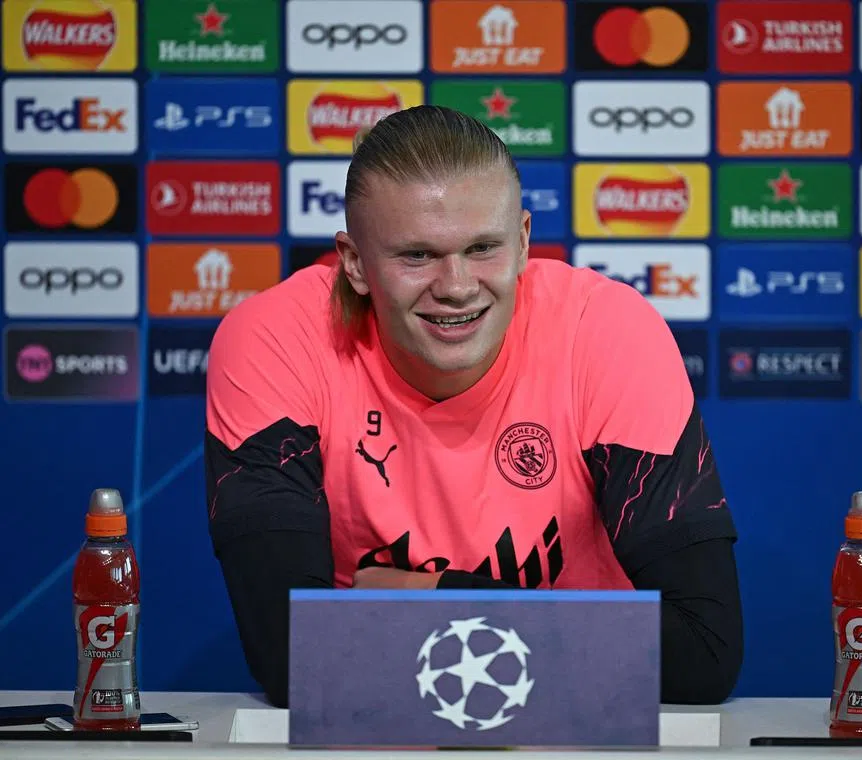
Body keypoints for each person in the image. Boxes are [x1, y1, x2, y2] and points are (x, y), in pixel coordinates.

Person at [204, 105, 743, 709]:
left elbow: (704, 653)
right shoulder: (276, 339)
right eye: (416, 256)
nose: (457, 286)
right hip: (370, 737)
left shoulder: (607, 332)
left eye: (483, 247)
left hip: (580, 739)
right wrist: (572, 631)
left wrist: (425, 593)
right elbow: (292, 653)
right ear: (354, 263)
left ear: (523, 243)